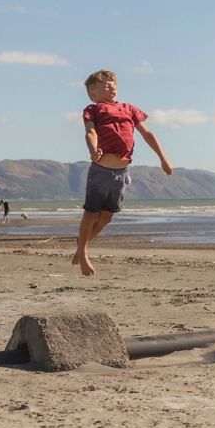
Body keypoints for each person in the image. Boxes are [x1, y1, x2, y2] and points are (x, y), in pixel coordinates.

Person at [73, 69, 173, 276]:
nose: (112, 89)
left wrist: (163, 158)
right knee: (91, 214)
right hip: (100, 171)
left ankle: (82, 247)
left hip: (121, 173)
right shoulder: (93, 109)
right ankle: (83, 254)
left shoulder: (129, 109)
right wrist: (93, 149)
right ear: (92, 93)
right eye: (105, 86)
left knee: (107, 217)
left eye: (114, 86)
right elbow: (90, 131)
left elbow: (147, 133)